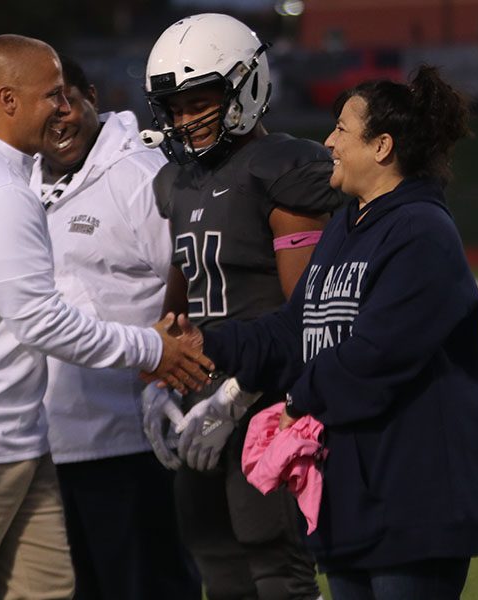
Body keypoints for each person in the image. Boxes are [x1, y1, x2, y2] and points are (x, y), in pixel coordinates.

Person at [0, 35, 211, 600]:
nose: (63, 106)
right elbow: (40, 321)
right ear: (8, 99)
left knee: (49, 591)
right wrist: (155, 349)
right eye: (51, 94)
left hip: (12, 437)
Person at [190, 66, 478, 600]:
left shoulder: (421, 231)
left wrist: (296, 401)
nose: (327, 141)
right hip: (352, 497)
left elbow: (377, 354)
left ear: (381, 146)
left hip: (413, 501)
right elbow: (293, 332)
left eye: (341, 130)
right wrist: (205, 345)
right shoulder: (346, 227)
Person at [140, 13, 345, 600]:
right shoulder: (177, 182)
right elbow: (181, 294)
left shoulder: (280, 168)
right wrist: (160, 378)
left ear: (246, 83)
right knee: (213, 559)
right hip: (200, 397)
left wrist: (242, 398)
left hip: (265, 398)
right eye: (174, 106)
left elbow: (305, 314)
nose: (186, 118)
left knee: (276, 566)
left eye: (199, 99)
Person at [28, 55, 200, 600]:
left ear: (91, 97)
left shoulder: (140, 175)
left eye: (67, 100)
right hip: (43, 445)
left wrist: (165, 382)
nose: (59, 117)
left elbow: (190, 281)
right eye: (44, 105)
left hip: (128, 445)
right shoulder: (18, 181)